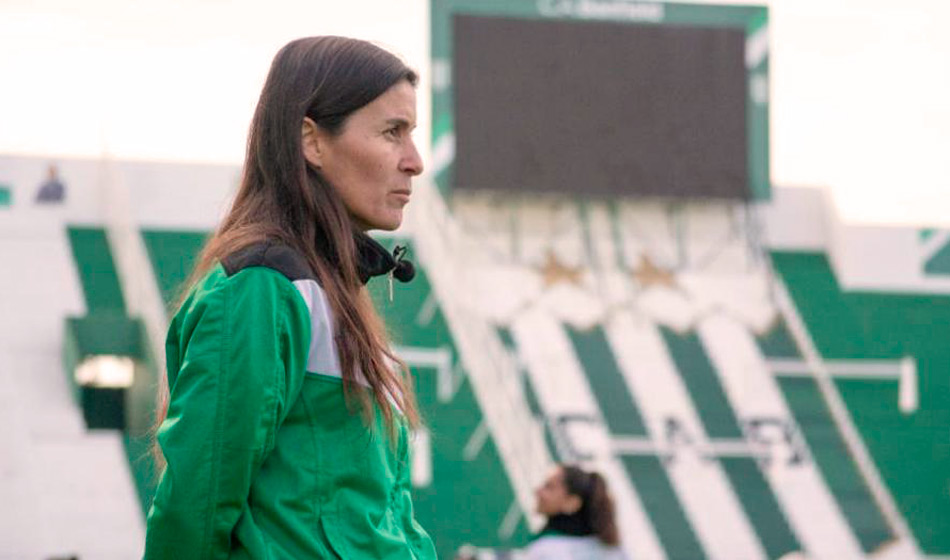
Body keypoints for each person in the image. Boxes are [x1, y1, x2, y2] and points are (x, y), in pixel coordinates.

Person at [143, 36, 434, 559]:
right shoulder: (262, 287)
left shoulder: (335, 291)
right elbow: (196, 504)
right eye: (393, 132)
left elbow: (386, 520)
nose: (414, 161)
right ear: (312, 141)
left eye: (412, 134)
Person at [525, 465, 627, 560]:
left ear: (572, 503)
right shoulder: (615, 550)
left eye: (549, 487)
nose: (537, 491)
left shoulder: (546, 549)